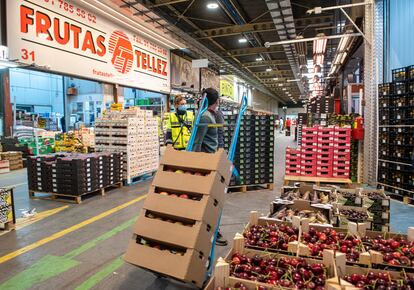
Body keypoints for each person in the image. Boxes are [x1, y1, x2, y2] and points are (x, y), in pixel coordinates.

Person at [193, 88, 227, 246]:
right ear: (216, 100)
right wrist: (193, 165)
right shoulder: (206, 117)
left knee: (213, 200)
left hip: (214, 162)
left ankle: (212, 229)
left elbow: (219, 137)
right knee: (206, 200)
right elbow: (197, 142)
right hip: (205, 164)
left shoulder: (214, 115)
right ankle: (211, 231)